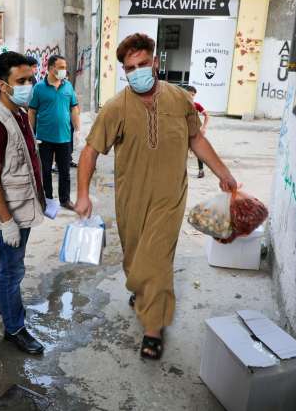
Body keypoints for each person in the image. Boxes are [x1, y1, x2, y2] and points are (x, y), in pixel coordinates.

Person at [75, 33, 237, 360]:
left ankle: (153, 327)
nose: (137, 71)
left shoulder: (180, 100)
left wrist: (223, 172)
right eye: (130, 67)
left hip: (170, 196)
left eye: (142, 64)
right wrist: (82, 194)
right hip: (131, 199)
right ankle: (143, 289)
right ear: (124, 70)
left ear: (155, 62)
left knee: (157, 259)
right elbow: (90, 152)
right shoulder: (116, 107)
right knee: (136, 257)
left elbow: (197, 140)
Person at [0, 51, 46, 355]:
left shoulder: (18, 112)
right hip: (9, 214)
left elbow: (25, 162)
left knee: (7, 263)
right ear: (2, 85)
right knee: (13, 270)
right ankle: (14, 327)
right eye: (21, 80)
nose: (28, 84)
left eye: (30, 78)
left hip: (22, 205)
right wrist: (6, 223)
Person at [28, 55, 80, 211]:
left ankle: (65, 199)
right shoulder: (39, 88)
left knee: (65, 171)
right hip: (44, 137)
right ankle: (47, 199)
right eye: (61, 67)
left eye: (65, 67)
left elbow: (74, 108)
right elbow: (32, 111)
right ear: (51, 68)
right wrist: (31, 133)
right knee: (45, 170)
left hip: (64, 137)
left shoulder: (68, 86)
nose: (64, 70)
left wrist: (77, 129)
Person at [187, 86, 210, 178]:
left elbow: (207, 115)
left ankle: (201, 170)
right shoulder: (179, 105)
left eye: (193, 95)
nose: (192, 96)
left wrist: (204, 128)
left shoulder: (196, 105)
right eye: (190, 94)